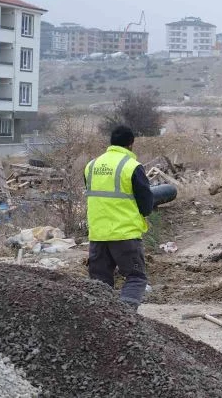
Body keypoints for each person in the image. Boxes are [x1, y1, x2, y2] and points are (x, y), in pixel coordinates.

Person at [84, 125, 154, 310]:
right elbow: (146, 204)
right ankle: (125, 316)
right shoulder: (132, 166)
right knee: (136, 277)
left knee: (99, 283)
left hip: (98, 236)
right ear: (131, 143)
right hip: (125, 235)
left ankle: (102, 319)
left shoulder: (91, 166)